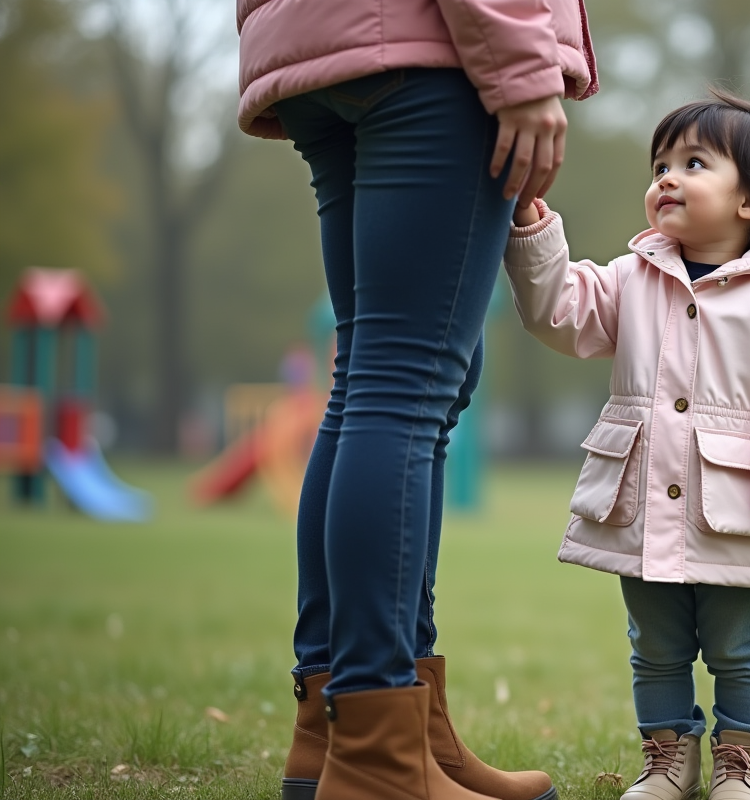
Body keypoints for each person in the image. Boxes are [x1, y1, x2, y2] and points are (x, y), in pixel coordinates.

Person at [235, 3, 597, 800]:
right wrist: (524, 66)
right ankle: (374, 754)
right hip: (431, 50)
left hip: (329, 47)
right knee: (402, 386)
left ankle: (352, 733)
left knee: (374, 379)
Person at [502, 91, 750, 800]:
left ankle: (741, 766)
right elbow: (558, 312)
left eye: (693, 162)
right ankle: (667, 762)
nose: (666, 177)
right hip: (644, 508)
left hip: (739, 510)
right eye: (660, 163)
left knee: (739, 648)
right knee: (655, 648)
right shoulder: (632, 279)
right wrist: (534, 230)